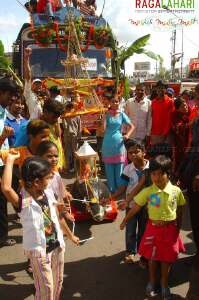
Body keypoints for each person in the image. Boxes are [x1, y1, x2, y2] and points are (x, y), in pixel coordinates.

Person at [1, 153, 79, 300]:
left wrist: (70, 235)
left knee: (58, 283)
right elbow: (5, 188)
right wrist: (10, 160)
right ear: (36, 182)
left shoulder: (48, 193)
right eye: (48, 177)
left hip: (57, 247)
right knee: (46, 289)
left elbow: (57, 218)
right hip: (39, 253)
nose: (51, 179)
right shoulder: (23, 201)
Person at [120, 155, 186, 300]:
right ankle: (152, 281)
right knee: (152, 257)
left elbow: (180, 209)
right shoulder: (148, 191)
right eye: (153, 174)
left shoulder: (176, 191)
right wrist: (125, 219)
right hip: (152, 230)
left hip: (170, 231)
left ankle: (164, 283)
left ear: (168, 173)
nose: (156, 177)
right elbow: (136, 207)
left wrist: (178, 228)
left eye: (160, 174)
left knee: (166, 259)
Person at [112, 140, 149, 264]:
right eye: (130, 153)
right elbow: (122, 187)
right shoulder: (127, 169)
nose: (133, 155)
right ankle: (130, 252)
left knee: (144, 230)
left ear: (144, 152)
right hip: (131, 205)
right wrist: (111, 197)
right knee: (130, 230)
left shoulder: (152, 168)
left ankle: (143, 254)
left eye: (136, 152)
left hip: (147, 207)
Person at [101, 95, 134, 193]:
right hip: (107, 144)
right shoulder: (106, 114)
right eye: (113, 101)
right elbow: (102, 130)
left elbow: (132, 126)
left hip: (119, 143)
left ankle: (120, 189)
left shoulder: (122, 114)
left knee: (120, 167)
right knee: (109, 167)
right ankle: (111, 189)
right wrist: (102, 118)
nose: (115, 103)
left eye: (116, 101)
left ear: (119, 103)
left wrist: (127, 135)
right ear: (109, 103)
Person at [0, 77, 19, 247]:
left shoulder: (2, 111)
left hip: (4, 160)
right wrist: (3, 137)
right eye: (10, 95)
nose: (12, 100)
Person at [150, 81, 174, 145]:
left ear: (165, 90)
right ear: (156, 89)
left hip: (167, 133)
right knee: (155, 153)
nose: (160, 89)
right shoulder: (153, 102)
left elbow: (172, 117)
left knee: (166, 153)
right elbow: (151, 116)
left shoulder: (170, 101)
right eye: (158, 88)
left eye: (162, 88)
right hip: (155, 133)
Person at [23, 48, 45, 120]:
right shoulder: (28, 93)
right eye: (36, 84)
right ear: (31, 85)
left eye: (39, 84)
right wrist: (26, 58)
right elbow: (28, 76)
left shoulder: (42, 98)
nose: (38, 85)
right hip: (32, 125)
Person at [171, 97, 191, 173]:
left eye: (186, 105)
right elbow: (176, 129)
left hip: (189, 142)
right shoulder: (174, 115)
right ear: (177, 109)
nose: (186, 108)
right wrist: (190, 124)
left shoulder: (189, 113)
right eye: (182, 106)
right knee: (178, 160)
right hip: (178, 143)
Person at [62, 102, 81, 173]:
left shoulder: (77, 116)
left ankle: (76, 168)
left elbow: (79, 127)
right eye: (68, 108)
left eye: (71, 108)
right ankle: (68, 167)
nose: (70, 109)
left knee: (75, 152)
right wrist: (64, 117)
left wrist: (79, 136)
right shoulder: (65, 116)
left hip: (74, 136)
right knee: (68, 152)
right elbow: (65, 126)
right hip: (67, 136)